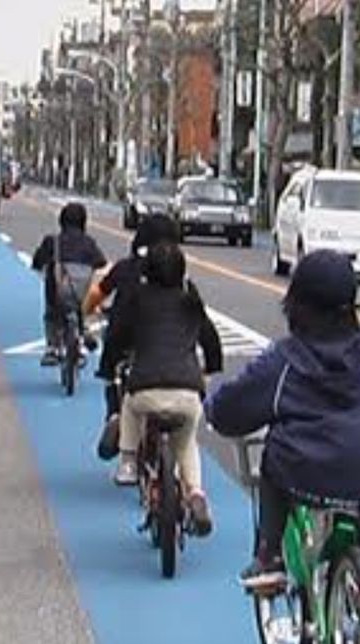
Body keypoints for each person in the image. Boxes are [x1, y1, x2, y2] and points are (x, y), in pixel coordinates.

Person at [205, 250, 360, 592]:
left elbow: (234, 409)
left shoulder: (286, 360)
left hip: (304, 476)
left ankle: (269, 555)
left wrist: (213, 407)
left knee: (271, 461)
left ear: (296, 304)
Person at [102, 242, 223, 535]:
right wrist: (210, 368)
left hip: (146, 388)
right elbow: (211, 341)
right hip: (187, 391)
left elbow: (117, 337)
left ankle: (128, 461)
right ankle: (195, 494)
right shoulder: (191, 303)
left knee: (129, 406)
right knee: (186, 444)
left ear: (146, 271)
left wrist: (108, 366)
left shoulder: (137, 300)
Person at [83, 213, 181, 459]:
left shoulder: (125, 267)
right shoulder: (176, 270)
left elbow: (98, 293)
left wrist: (87, 311)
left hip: (124, 337)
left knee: (111, 370)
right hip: (165, 341)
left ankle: (115, 414)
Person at [31, 203, 108, 366]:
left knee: (51, 313)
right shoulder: (89, 243)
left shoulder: (53, 241)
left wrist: (41, 265)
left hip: (57, 293)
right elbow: (101, 261)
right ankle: (83, 334)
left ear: (61, 221)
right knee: (81, 307)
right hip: (81, 293)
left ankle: (52, 348)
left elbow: (37, 262)